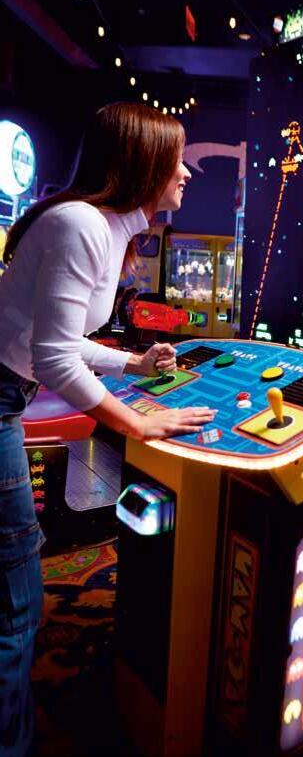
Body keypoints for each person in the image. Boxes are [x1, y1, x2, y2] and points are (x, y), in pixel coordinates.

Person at [0, 102, 217, 756]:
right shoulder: (82, 224)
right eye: (175, 158)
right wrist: (140, 423)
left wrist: (134, 364)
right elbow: (54, 358)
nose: (185, 173)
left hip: (7, 388)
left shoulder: (105, 227)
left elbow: (63, 339)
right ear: (142, 162)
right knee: (17, 599)